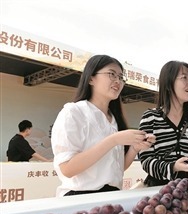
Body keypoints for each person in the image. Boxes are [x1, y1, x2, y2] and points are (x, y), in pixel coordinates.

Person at [51, 55, 155, 197]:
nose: (118, 81)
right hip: (79, 197)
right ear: (91, 78)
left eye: (121, 77)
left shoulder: (114, 119)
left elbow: (117, 169)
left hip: (111, 196)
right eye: (111, 74)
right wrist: (113, 140)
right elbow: (68, 168)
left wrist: (135, 148)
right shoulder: (74, 112)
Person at [138, 60, 188, 187]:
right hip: (160, 191)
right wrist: (173, 167)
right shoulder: (151, 117)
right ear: (169, 82)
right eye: (184, 78)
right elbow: (146, 160)